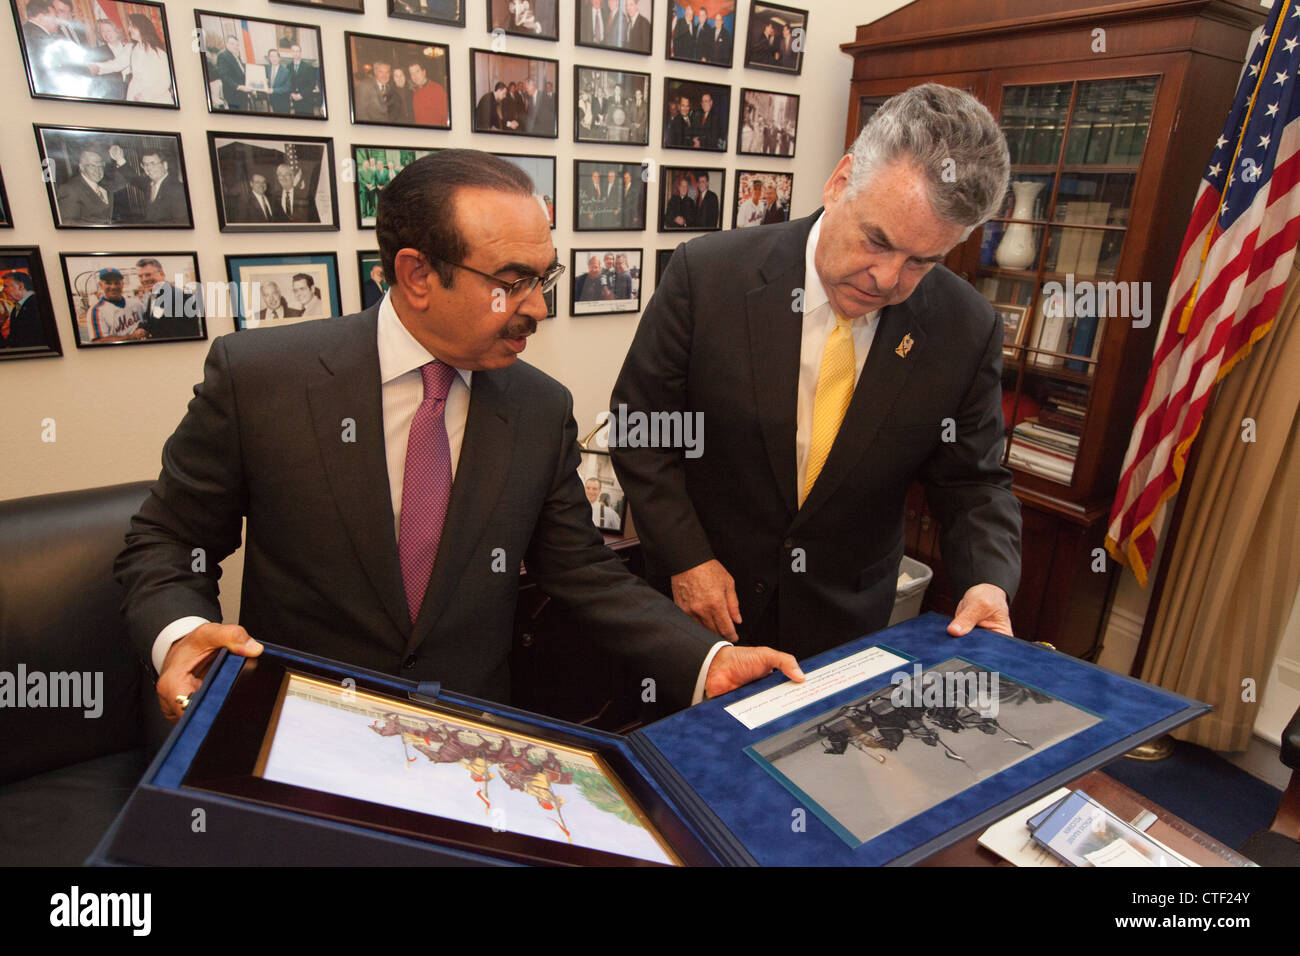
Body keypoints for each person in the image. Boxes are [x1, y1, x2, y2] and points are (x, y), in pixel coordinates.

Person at [115, 150, 801, 723]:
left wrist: (707, 659)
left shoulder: (538, 408)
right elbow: (168, 541)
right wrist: (181, 636)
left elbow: (583, 572)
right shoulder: (260, 380)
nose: (537, 307)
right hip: (300, 727)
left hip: (468, 742)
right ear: (417, 274)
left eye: (545, 277)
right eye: (513, 282)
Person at [610, 85, 1022, 662]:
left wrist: (986, 581)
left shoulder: (965, 327)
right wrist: (686, 559)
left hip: (844, 623)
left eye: (921, 262)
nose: (885, 278)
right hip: (703, 611)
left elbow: (971, 480)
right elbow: (641, 431)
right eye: (877, 240)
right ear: (840, 182)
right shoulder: (708, 276)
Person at [104, 146, 186, 224]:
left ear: (165, 165)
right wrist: (119, 158)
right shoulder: (150, 184)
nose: (149, 168)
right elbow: (134, 178)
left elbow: (180, 222)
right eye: (146, 165)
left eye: (153, 163)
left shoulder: (178, 189)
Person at [135, 258, 202, 340]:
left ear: (162, 274)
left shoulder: (182, 297)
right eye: (140, 276)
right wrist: (143, 329)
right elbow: (154, 322)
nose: (144, 279)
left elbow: (190, 335)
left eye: (148, 275)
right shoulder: (151, 296)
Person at [85, 268, 145, 343]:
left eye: (117, 283)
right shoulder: (96, 311)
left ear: (122, 284)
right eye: (108, 283)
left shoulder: (135, 303)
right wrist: (131, 337)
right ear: (101, 285)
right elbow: (99, 341)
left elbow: (147, 321)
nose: (113, 287)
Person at [56, 148, 113, 225]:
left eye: (100, 166)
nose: (98, 170)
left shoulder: (105, 186)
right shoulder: (70, 189)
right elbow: (68, 224)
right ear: (82, 167)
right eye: (92, 166)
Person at [0, 270, 45, 350]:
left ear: (20, 286)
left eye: (6, 286)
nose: (3, 290)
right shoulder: (16, 308)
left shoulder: (38, 305)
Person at [408, 60, 448, 127]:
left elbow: (446, 116)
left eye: (417, 72)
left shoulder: (437, 89)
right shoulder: (415, 91)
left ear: (423, 72)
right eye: (412, 73)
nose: (415, 76)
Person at [216, 34, 250, 111]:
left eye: (237, 45)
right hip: (233, 94)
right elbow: (224, 76)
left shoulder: (236, 56)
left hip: (242, 93)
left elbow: (242, 73)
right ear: (226, 44)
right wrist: (238, 86)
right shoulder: (223, 56)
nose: (235, 46)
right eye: (232, 44)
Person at [288, 44, 320, 116]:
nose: (295, 53)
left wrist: (301, 95)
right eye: (293, 51)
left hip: (306, 99)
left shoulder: (308, 67)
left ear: (300, 53)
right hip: (295, 99)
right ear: (291, 53)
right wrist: (292, 94)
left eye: (297, 51)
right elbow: (288, 82)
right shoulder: (288, 67)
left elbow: (312, 84)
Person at [265, 49, 292, 114]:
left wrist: (273, 90)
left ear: (279, 58)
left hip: (283, 102)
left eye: (275, 56)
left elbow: (287, 88)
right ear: (269, 58)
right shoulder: (266, 69)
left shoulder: (286, 71)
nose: (273, 58)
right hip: (272, 101)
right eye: (271, 56)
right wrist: (264, 82)